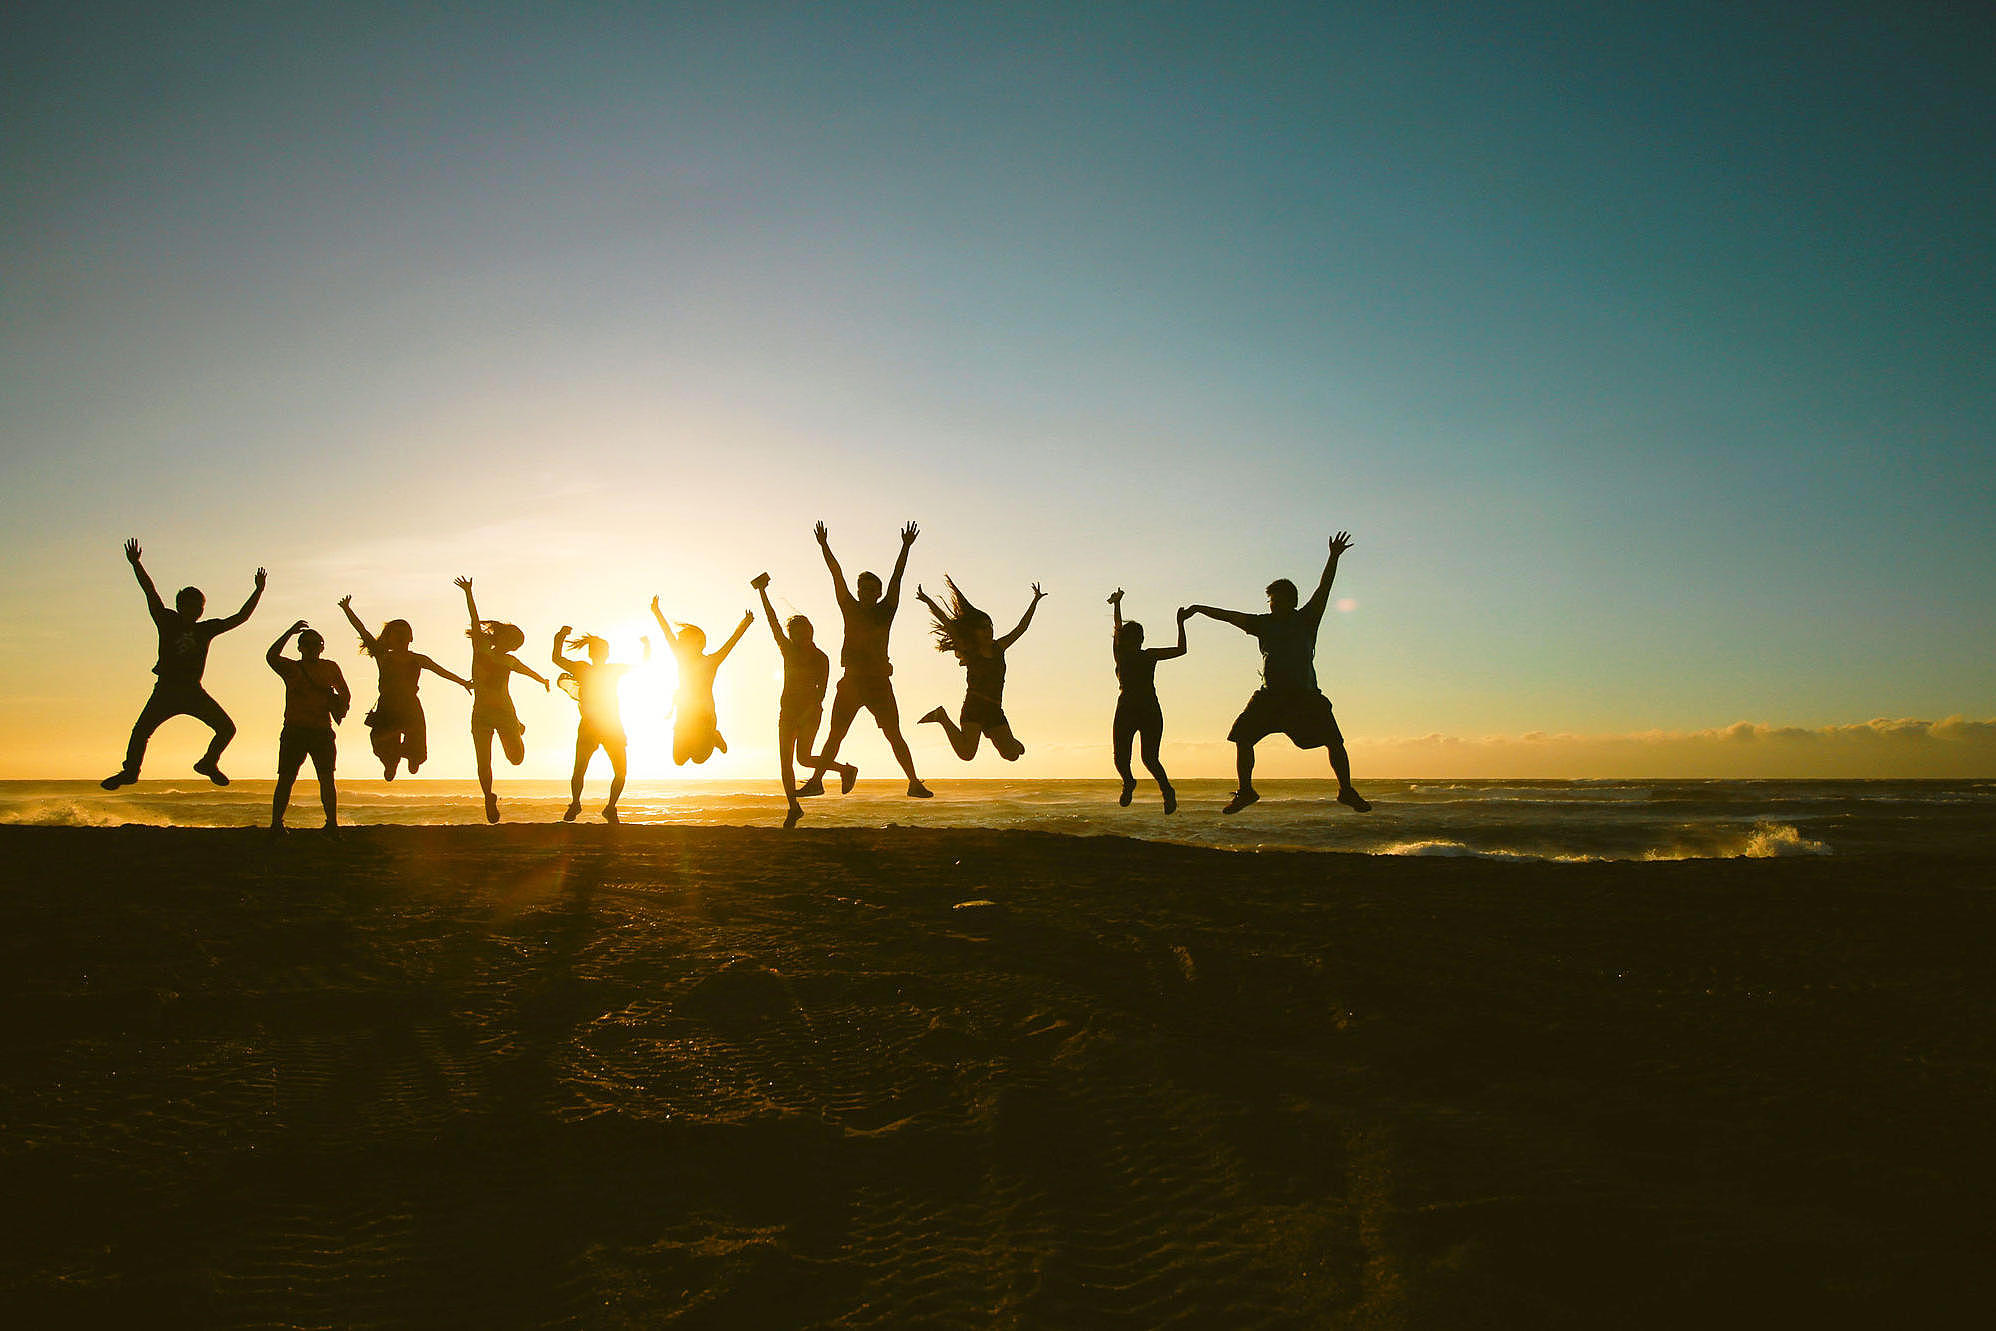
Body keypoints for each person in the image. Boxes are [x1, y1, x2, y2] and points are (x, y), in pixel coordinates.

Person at [1186, 532, 1370, 815]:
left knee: (1334, 740)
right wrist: (1200, 609)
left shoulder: (1307, 618)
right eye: (1270, 600)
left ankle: (1346, 790)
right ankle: (1246, 791)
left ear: (1290, 600)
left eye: (1274, 599)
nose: (1271, 604)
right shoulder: (1263, 624)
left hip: (1305, 696)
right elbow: (1229, 615)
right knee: (1242, 737)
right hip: (1270, 697)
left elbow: (1324, 588)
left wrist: (1333, 557)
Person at [102, 540, 266, 789]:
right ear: (179, 606)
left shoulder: (206, 629)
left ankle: (208, 763)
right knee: (140, 732)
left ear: (201, 610)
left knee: (226, 728)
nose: (193, 610)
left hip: (192, 691)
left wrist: (258, 591)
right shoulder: (167, 619)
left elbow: (240, 618)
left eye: (197, 607)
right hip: (166, 690)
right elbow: (150, 592)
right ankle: (131, 771)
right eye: (187, 605)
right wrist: (136, 564)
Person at [801, 521, 932, 798]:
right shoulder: (849, 607)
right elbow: (836, 575)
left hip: (878, 683)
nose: (867, 593)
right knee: (835, 735)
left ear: (878, 593)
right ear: (859, 591)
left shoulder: (886, 611)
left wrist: (905, 547)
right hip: (851, 681)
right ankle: (816, 782)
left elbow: (897, 578)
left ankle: (914, 782)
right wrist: (825, 546)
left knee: (894, 734)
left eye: (873, 590)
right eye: (863, 588)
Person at [752, 572, 857, 828]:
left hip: (810, 712)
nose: (800, 637)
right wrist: (762, 593)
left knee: (804, 758)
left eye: (804, 632)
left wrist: (809, 712)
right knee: (787, 763)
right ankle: (793, 808)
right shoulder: (788, 650)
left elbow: (822, 692)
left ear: (811, 631)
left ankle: (845, 770)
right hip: (787, 712)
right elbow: (773, 623)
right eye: (796, 634)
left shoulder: (821, 657)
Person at [337, 596, 472, 780]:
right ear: (390, 638)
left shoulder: (417, 659)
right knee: (384, 743)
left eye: (404, 633)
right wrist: (347, 609)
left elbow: (441, 671)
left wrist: (463, 682)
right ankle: (390, 763)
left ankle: (413, 758)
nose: (400, 637)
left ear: (410, 637)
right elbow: (362, 630)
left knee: (417, 742)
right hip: (388, 706)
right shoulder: (384, 656)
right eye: (396, 633)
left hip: (410, 706)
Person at [915, 578, 1044, 762]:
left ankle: (1006, 740)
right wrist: (928, 601)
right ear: (973, 631)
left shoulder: (999, 647)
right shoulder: (971, 651)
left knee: (1012, 755)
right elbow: (948, 624)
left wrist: (1035, 600)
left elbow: (1021, 628)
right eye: (982, 628)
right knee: (967, 754)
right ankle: (941, 717)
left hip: (994, 708)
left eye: (990, 626)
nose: (988, 630)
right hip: (974, 706)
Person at [455, 576, 550, 823]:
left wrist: (543, 681)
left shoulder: (509, 661)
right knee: (483, 762)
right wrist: (468, 593)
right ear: (502, 637)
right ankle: (489, 797)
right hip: (481, 715)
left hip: (505, 713)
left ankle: (517, 728)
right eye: (512, 641)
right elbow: (475, 621)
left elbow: (527, 670)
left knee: (516, 759)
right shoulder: (480, 649)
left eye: (516, 645)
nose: (513, 647)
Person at [553, 626, 646, 823]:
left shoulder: (609, 669)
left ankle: (609, 808)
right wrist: (559, 637)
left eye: (604, 651)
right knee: (581, 768)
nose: (603, 654)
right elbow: (557, 659)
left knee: (619, 771)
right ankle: (577, 803)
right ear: (593, 653)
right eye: (600, 651)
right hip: (593, 725)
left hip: (610, 725)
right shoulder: (583, 668)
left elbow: (642, 665)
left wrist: (646, 647)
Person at [1108, 589, 1189, 812]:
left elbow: (1181, 650)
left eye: (1139, 637)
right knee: (1120, 758)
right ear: (1127, 639)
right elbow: (1116, 628)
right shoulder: (1120, 653)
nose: (1137, 640)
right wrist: (1117, 604)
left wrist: (1180, 623)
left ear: (1142, 639)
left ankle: (1167, 791)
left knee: (1150, 758)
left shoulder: (1149, 654)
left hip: (1148, 710)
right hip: (1126, 709)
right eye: (1132, 636)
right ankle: (1129, 782)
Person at [266, 620, 350, 832]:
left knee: (326, 779)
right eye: (307, 644)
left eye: (316, 644)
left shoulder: (330, 667)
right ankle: (276, 824)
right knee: (286, 779)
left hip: (322, 731)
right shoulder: (292, 668)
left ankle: (331, 824)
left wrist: (339, 707)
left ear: (322, 647)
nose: (312, 648)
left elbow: (346, 693)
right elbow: (271, 657)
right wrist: (289, 632)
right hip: (295, 729)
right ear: (300, 648)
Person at [650, 596, 753, 766]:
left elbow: (731, 642)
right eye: (681, 642)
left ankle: (713, 737)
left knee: (699, 758)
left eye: (684, 641)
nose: (680, 644)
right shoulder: (681, 658)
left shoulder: (711, 661)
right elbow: (667, 634)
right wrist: (656, 611)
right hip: (684, 713)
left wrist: (746, 623)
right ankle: (709, 738)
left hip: (704, 716)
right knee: (679, 760)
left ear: (699, 644)